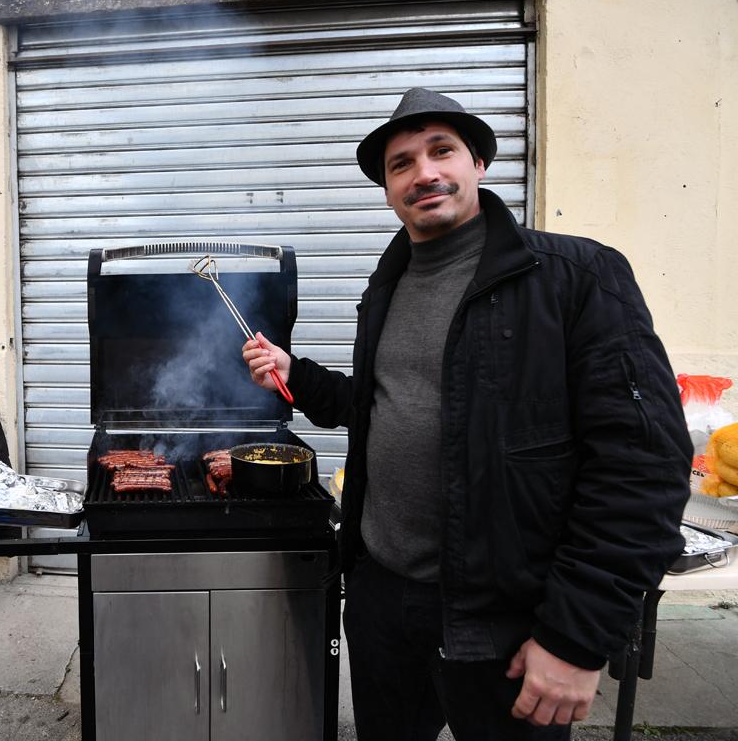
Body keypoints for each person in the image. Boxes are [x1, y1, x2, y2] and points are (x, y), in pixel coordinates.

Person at [243, 89, 691, 740]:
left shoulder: (575, 276)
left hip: (507, 617)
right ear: (388, 189)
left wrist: (575, 638)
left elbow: (642, 465)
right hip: (384, 606)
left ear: (478, 161)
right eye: (401, 164)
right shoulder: (388, 286)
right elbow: (383, 408)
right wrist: (295, 376)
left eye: (441, 151)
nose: (422, 172)